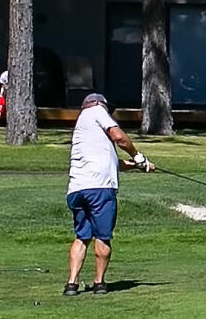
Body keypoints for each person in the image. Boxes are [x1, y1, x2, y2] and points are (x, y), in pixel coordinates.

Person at [64, 91, 153, 296]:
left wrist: (140, 166)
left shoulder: (82, 125)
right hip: (100, 188)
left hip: (77, 189)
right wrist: (138, 155)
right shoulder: (98, 111)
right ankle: (99, 283)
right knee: (102, 236)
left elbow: (113, 162)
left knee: (81, 236)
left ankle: (71, 284)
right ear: (99, 104)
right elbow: (119, 137)